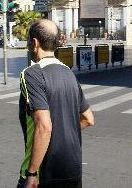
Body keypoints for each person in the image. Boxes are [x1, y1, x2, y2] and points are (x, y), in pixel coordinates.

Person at [17, 19, 95, 188]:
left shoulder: (32, 74)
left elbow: (44, 126)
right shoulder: (68, 73)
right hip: (72, 170)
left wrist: (31, 173)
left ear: (35, 43)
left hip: (43, 173)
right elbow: (88, 118)